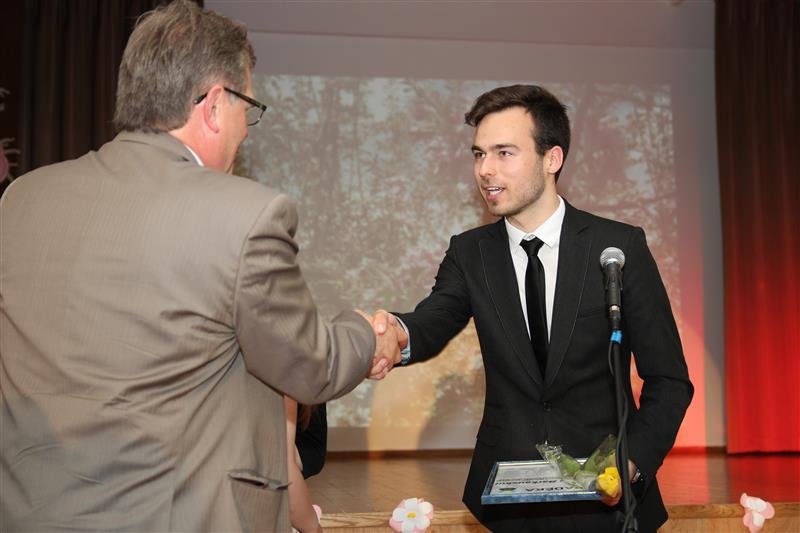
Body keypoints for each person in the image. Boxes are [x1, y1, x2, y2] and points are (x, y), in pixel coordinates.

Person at [0, 1, 403, 531]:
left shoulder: (23, 200)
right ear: (214, 105)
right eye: (247, 107)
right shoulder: (245, 214)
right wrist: (370, 333)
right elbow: (311, 365)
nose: (247, 130)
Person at [371, 85, 693, 532]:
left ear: (551, 158)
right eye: (479, 154)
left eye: (504, 153)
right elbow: (433, 319)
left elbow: (669, 380)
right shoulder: (470, 253)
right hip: (509, 504)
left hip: (607, 502)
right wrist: (395, 334)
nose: (485, 169)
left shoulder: (618, 248)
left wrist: (632, 463)